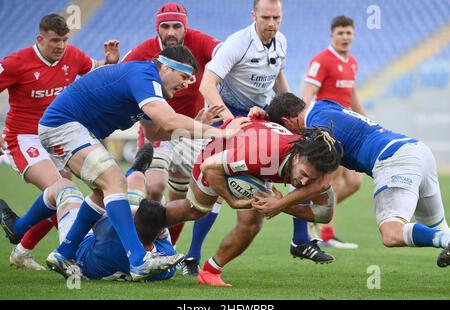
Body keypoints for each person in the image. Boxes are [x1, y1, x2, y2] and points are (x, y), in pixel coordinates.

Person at [0, 45, 248, 282]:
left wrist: (197, 124)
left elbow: (156, 134)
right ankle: (138, 259)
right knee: (115, 180)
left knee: (102, 191)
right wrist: (221, 133)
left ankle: (63, 253)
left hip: (74, 129)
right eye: (183, 76)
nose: (185, 84)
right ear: (164, 67)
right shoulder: (145, 75)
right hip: (63, 125)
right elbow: (170, 121)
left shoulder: (150, 87)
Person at [183, 0, 334, 276]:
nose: (272, 24)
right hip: (230, 117)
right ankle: (192, 256)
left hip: (263, 115)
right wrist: (229, 122)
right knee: (214, 186)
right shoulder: (237, 43)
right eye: (266, 17)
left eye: (277, 18)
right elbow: (207, 84)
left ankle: (300, 240)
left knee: (296, 163)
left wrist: (293, 110)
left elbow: (278, 78)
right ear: (253, 15)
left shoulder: (281, 41)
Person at [251, 92, 450, 269]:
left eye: (285, 130)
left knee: (392, 233)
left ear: (287, 122)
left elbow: (321, 183)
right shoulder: (322, 105)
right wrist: (266, 113)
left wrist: (280, 203)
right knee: (439, 229)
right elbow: (285, 105)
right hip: (417, 150)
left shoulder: (318, 129)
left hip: (394, 160)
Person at [137, 117, 342, 286]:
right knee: (195, 211)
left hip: (258, 165)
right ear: (297, 157)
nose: (304, 182)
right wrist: (232, 200)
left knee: (252, 224)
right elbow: (211, 167)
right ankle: (143, 227)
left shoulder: (319, 169)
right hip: (218, 154)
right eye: (304, 174)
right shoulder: (262, 154)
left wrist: (281, 204)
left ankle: (210, 273)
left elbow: (324, 214)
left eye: (311, 180)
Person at [0, 13, 120, 270]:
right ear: (40, 39)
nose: (60, 46)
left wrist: (108, 62)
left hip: (57, 136)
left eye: (64, 40)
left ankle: (21, 245)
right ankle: (71, 255)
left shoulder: (72, 56)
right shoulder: (15, 63)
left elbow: (94, 69)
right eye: (55, 40)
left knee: (60, 196)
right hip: (24, 138)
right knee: (63, 190)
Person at [122, 2, 223, 247]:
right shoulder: (144, 50)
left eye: (176, 26)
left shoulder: (198, 41)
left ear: (184, 28)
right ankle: (141, 244)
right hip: (157, 129)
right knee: (155, 188)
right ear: (157, 28)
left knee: (185, 198)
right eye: (164, 26)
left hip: (192, 129)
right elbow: (118, 73)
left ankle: (168, 248)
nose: (170, 32)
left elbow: (225, 53)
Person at [301, 16, 364, 249]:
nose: (345, 37)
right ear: (332, 36)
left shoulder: (352, 63)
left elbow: (352, 95)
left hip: (347, 126)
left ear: (354, 35)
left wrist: (366, 119)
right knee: (334, 179)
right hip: (328, 128)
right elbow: (308, 92)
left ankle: (316, 214)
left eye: (348, 33)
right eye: (340, 33)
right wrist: (302, 122)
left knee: (355, 181)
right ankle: (326, 233)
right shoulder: (322, 60)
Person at [54, 169, 182, 281]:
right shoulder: (166, 260)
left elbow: (95, 216)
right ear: (159, 232)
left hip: (80, 252)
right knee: (137, 177)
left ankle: (41, 238)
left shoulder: (112, 233)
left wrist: (131, 210)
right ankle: (135, 171)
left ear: (130, 222)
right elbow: (160, 228)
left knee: (65, 187)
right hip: (110, 258)